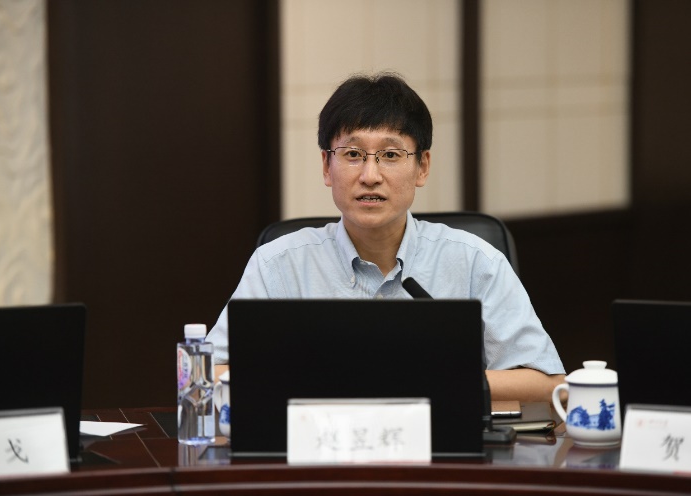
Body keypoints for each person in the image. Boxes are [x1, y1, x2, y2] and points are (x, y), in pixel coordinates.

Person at [207, 71, 565, 401]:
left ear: (422, 166)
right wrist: (323, 377)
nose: (370, 176)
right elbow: (209, 373)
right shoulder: (278, 264)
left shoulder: (475, 262)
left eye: (391, 155)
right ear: (326, 166)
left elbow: (548, 383)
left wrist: (427, 379)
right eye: (352, 154)